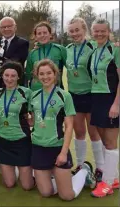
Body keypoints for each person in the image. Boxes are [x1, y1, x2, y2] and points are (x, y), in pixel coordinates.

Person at [29, 59, 95, 200]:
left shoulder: (64, 96)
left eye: (48, 73)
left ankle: (84, 171)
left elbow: (69, 126)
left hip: (57, 148)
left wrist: (63, 153)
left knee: (67, 196)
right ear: (37, 75)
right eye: (41, 74)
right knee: (46, 192)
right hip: (38, 148)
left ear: (55, 74)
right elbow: (34, 120)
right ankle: (60, 178)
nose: (45, 77)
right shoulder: (33, 96)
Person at [65, 17, 105, 183]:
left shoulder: (93, 46)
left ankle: (100, 168)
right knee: (79, 132)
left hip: (91, 94)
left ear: (84, 30)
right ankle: (80, 165)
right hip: (74, 95)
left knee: (94, 132)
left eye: (77, 30)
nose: (75, 34)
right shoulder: (66, 49)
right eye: (72, 31)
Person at [88, 18, 120, 198]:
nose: (99, 34)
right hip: (96, 98)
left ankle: (107, 184)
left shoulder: (115, 49)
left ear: (108, 32)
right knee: (103, 139)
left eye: (103, 31)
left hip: (111, 99)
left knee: (110, 142)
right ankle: (114, 177)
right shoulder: (94, 48)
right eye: (96, 31)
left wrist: (116, 104)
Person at [0, 61, 34, 190]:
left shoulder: (26, 93)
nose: (9, 79)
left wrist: (31, 121)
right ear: (2, 76)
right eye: (7, 75)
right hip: (3, 141)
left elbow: (35, 113)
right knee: (10, 184)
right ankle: (15, 170)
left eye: (13, 76)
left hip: (21, 140)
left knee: (27, 186)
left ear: (18, 77)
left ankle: (31, 172)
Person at [0, 17, 30, 89]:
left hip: (15, 86)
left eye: (9, 26)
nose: (6, 29)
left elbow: (15, 62)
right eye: (3, 27)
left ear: (15, 27)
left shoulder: (23, 43)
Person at [25, 21, 67, 91]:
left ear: (50, 34)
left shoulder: (60, 50)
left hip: (55, 92)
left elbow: (71, 68)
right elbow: (28, 76)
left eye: (45, 33)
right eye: (39, 33)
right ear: (35, 37)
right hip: (36, 93)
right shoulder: (32, 53)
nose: (42, 35)